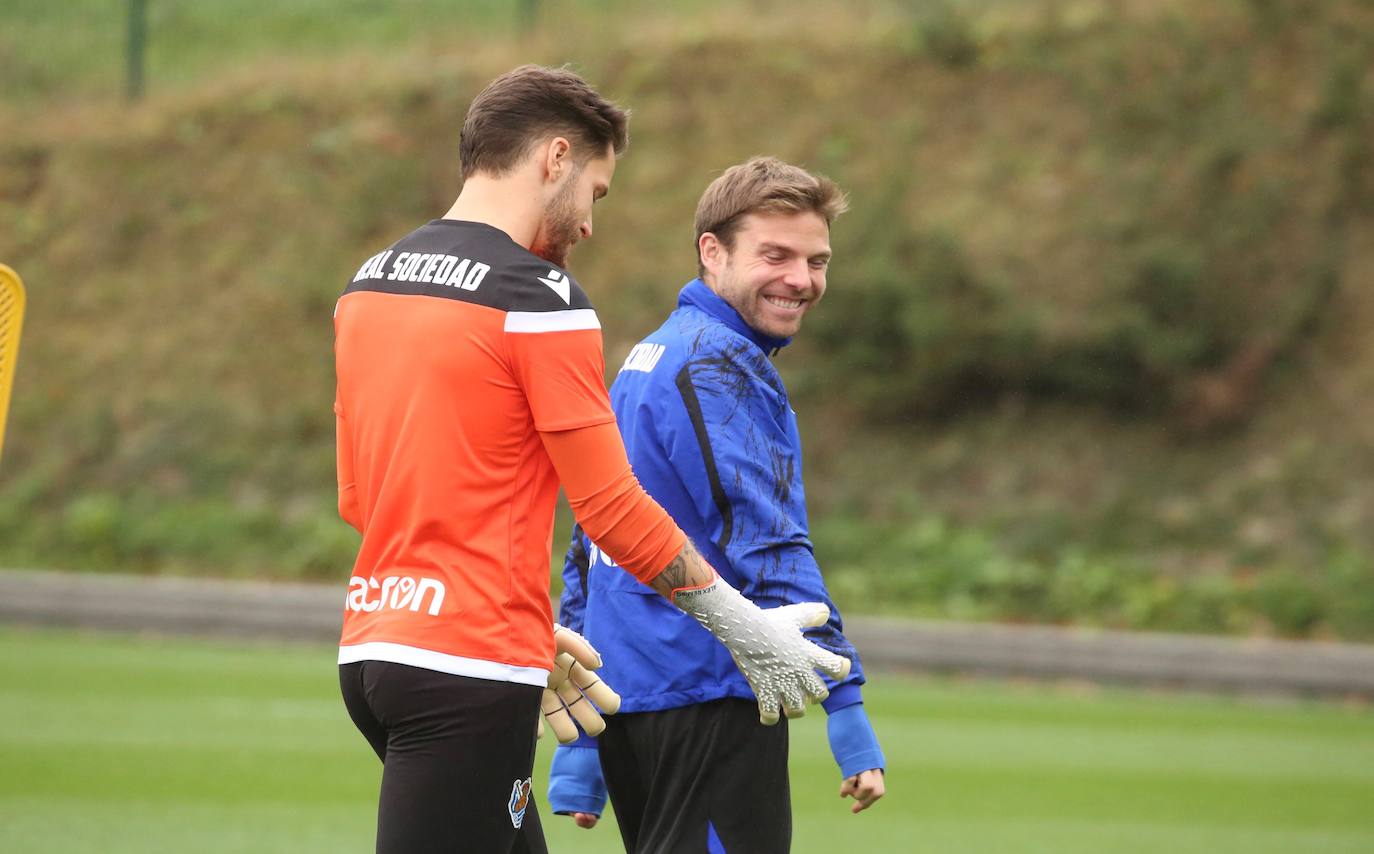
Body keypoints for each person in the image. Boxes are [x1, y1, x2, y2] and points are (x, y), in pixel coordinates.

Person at [333, 68, 851, 854]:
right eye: (597, 193)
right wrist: (741, 626)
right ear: (555, 158)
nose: (588, 224)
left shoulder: (367, 285)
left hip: (376, 649)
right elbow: (609, 507)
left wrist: (527, 627)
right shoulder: (541, 298)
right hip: (468, 672)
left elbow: (362, 497)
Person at [548, 157, 887, 852]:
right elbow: (765, 539)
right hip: (708, 689)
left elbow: (591, 536)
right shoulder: (717, 361)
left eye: (817, 260)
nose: (802, 279)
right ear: (713, 250)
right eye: (776, 255)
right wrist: (844, 699)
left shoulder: (650, 353)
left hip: (634, 703)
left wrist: (581, 738)